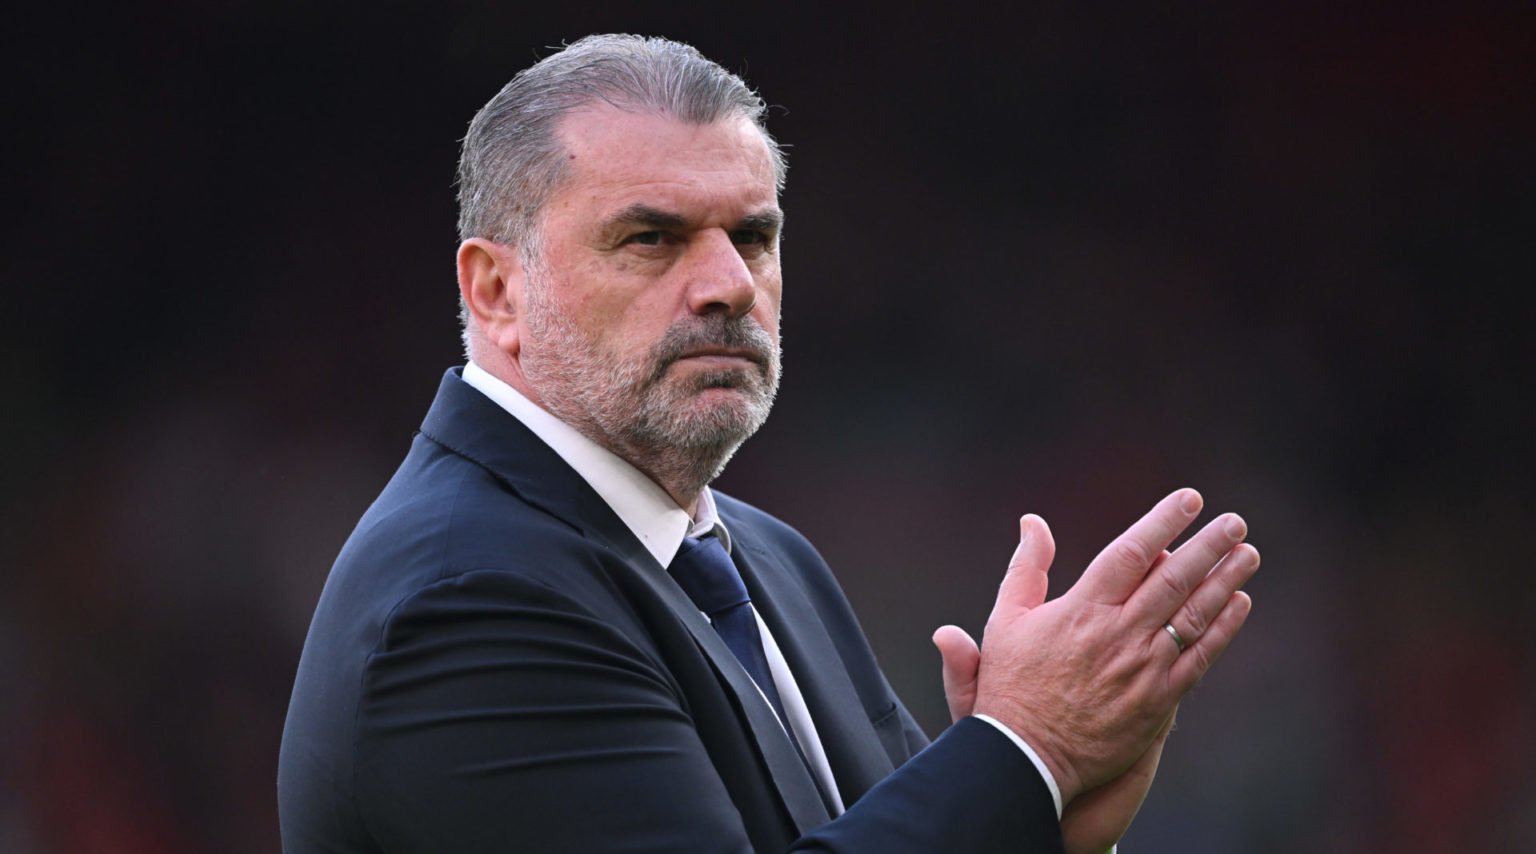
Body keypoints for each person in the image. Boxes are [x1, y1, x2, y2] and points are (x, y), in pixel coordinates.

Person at [277, 34, 1259, 853]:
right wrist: (1023, 748)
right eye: (651, 238)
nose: (729, 285)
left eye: (752, 236)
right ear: (496, 291)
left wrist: (1036, 815)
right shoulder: (467, 595)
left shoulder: (769, 560)